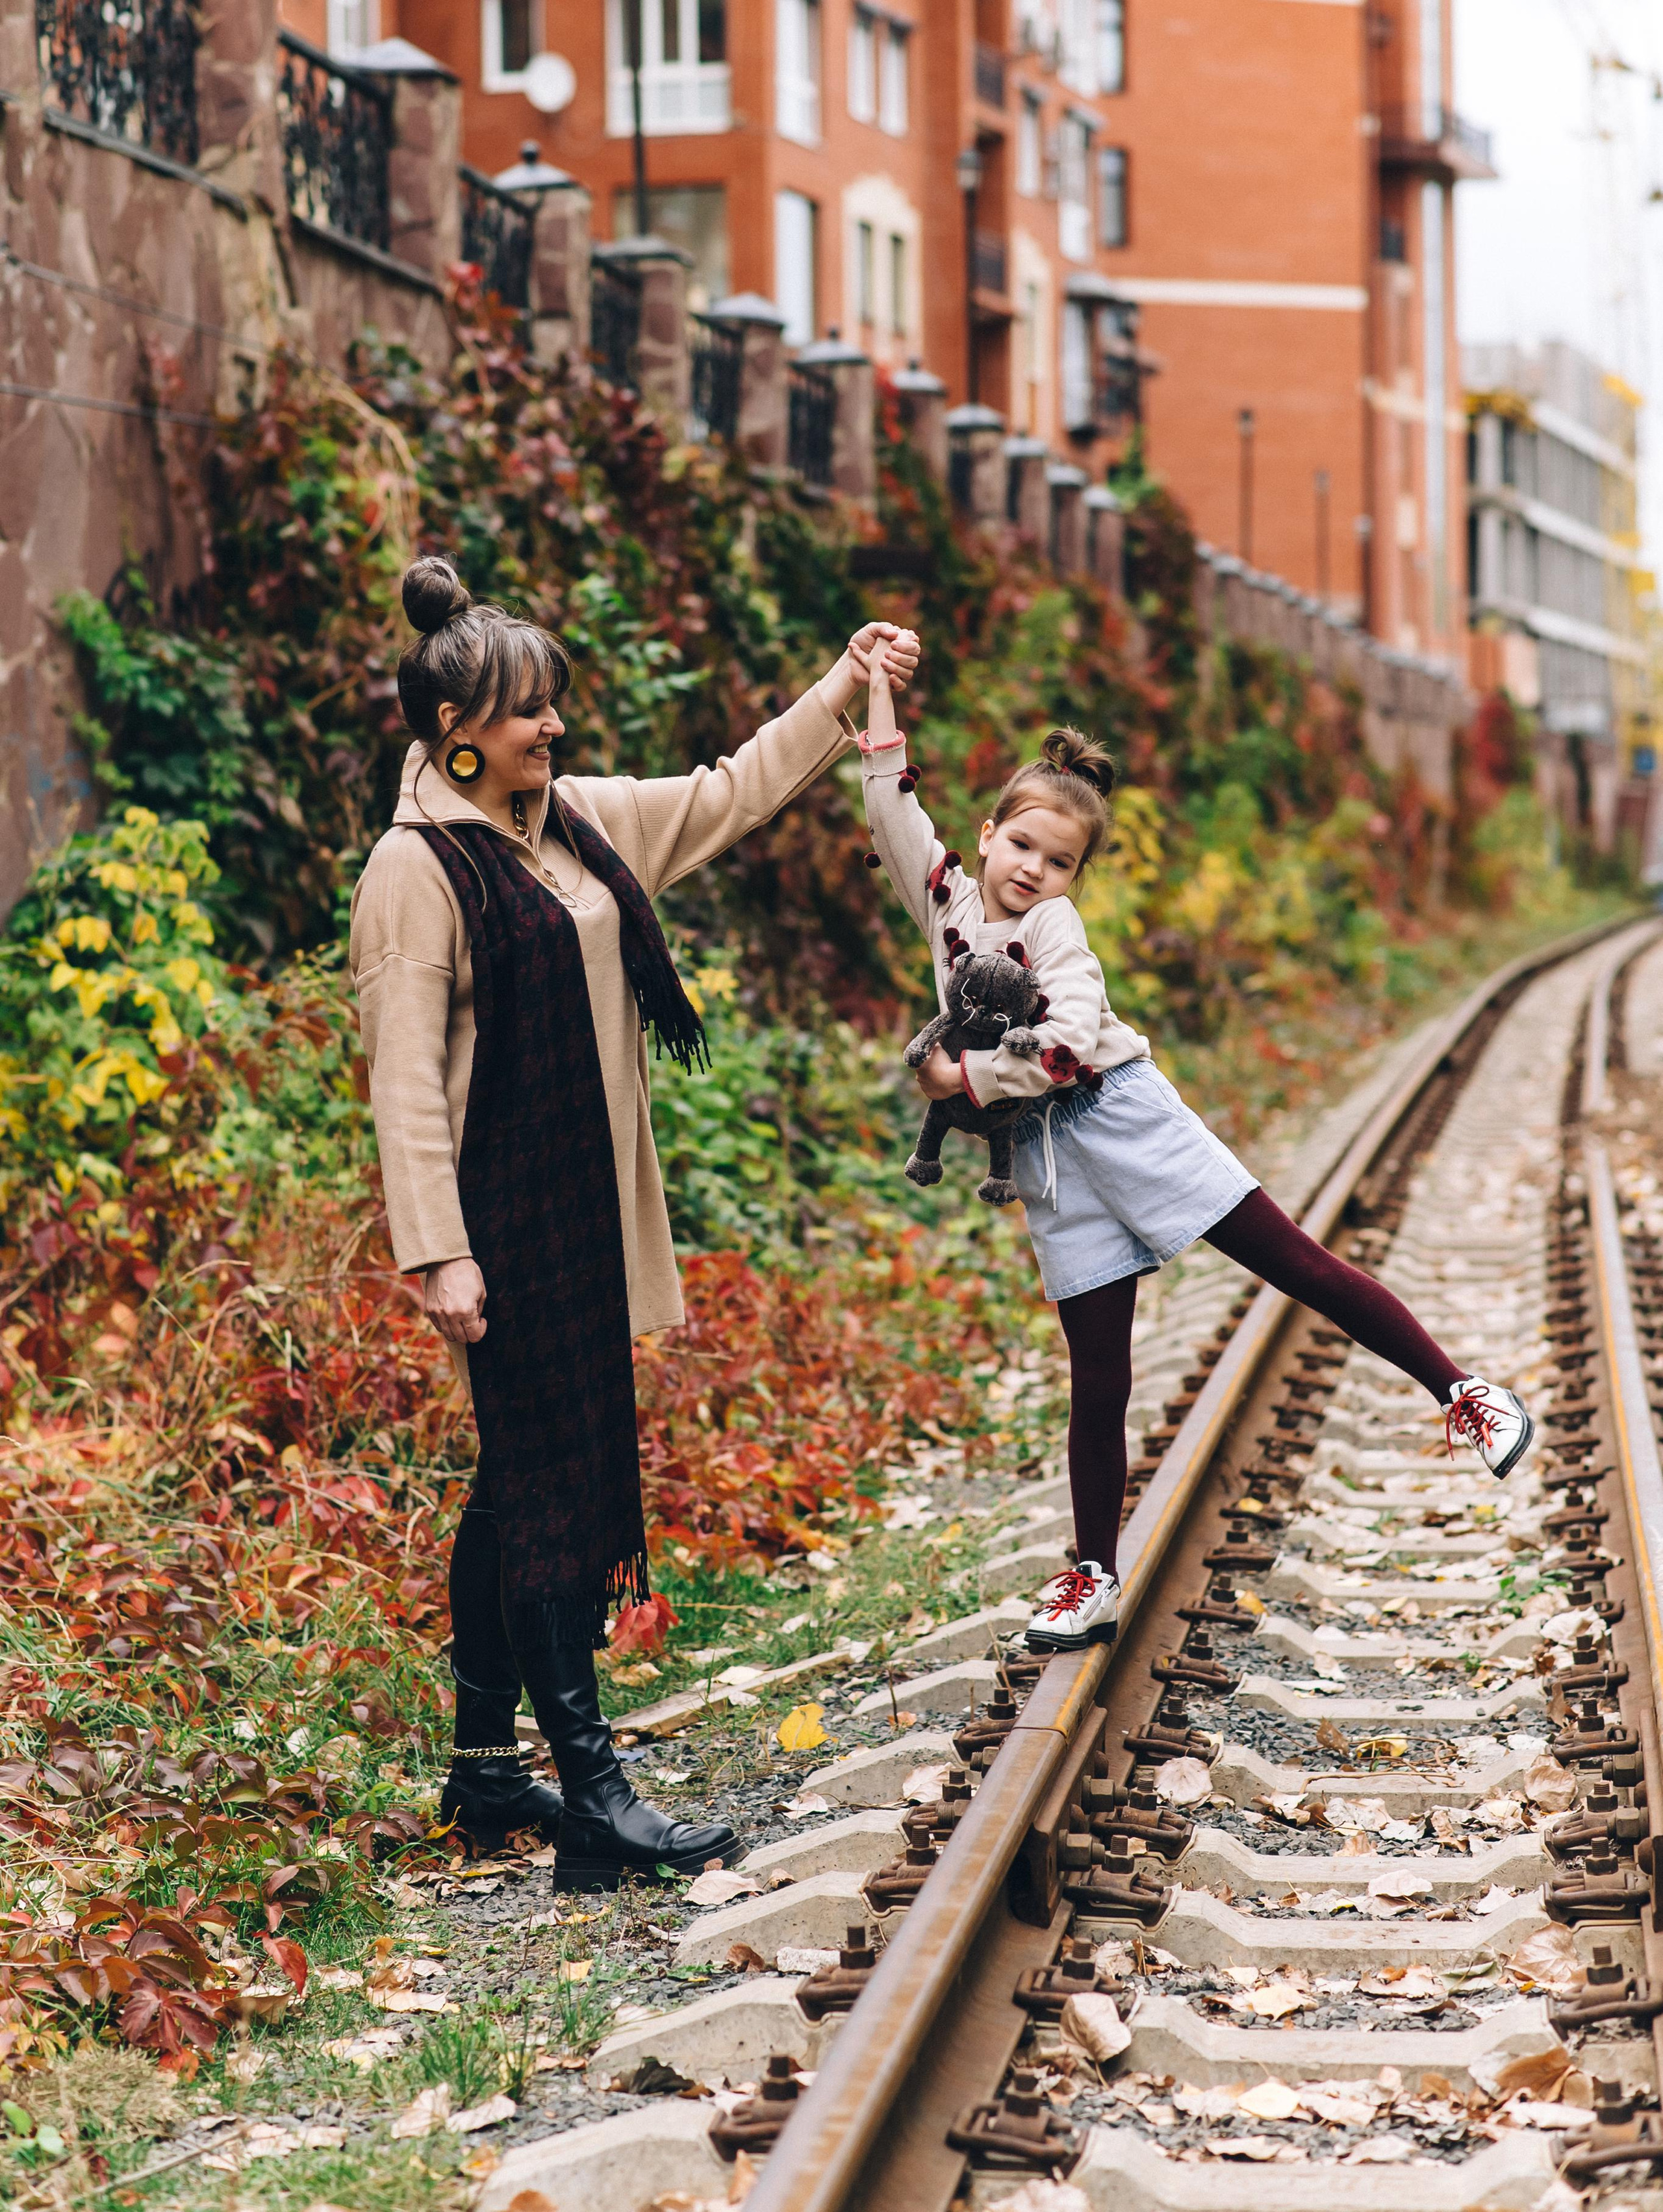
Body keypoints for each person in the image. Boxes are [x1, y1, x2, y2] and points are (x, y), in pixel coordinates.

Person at [350, 557, 919, 1880]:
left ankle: (487, 1775)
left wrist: (842, 689)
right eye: (530, 710)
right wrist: (437, 1249)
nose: (555, 725)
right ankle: (593, 1794)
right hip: (500, 1225)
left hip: (582, 1218)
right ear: (457, 738)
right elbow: (403, 1080)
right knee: (549, 1492)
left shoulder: (575, 826)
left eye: (554, 703)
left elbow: (727, 792)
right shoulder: (413, 872)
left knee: (512, 1485)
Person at [859, 662, 1533, 1656]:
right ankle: (1092, 1575)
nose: (1033, 868)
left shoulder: (1055, 929)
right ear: (989, 832)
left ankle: (1464, 1393)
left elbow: (1068, 1044)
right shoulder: (948, 902)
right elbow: (887, 800)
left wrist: (963, 1081)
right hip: (1049, 1162)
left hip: (1122, 1117)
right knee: (1100, 1376)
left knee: (1293, 1263)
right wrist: (874, 684)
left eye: (1059, 858)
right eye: (1022, 843)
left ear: (1074, 877)